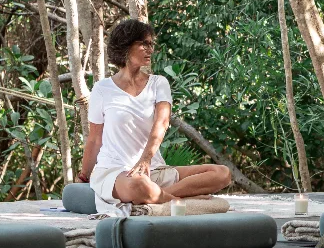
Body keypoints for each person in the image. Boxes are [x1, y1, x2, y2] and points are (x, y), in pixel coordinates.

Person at [78, 18, 230, 216]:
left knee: (222, 174)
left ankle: (162, 197)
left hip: (152, 169)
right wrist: (84, 175)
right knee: (138, 186)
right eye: (144, 44)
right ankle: (179, 201)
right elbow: (95, 138)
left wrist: (146, 160)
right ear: (125, 45)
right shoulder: (102, 89)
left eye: (151, 44)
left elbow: (162, 122)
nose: (150, 49)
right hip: (116, 171)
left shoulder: (158, 83)